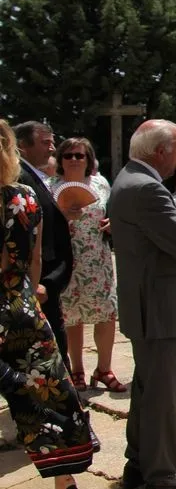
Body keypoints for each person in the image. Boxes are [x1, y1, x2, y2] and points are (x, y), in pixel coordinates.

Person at [109, 119, 176, 489]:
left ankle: (138, 465)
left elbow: (166, 238)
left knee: (147, 389)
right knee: (162, 395)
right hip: (160, 309)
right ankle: (163, 475)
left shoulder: (129, 179)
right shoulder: (148, 189)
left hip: (146, 305)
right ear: (161, 151)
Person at [1, 119, 95, 489]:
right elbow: (35, 260)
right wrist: (30, 294)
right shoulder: (25, 196)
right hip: (23, 306)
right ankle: (64, 479)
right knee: (49, 394)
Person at [50, 138, 125, 393]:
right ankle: (77, 369)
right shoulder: (50, 186)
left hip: (97, 259)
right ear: (60, 159)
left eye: (79, 155)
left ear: (88, 159)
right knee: (72, 316)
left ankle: (104, 369)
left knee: (106, 314)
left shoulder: (101, 184)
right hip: (66, 259)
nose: (74, 159)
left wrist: (113, 223)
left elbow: (113, 213)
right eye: (68, 155)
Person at [14, 121, 73, 367]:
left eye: (52, 141)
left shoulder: (34, 175)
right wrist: (36, 283)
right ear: (23, 146)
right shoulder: (20, 178)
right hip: (37, 284)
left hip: (47, 282)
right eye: (45, 142)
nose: (52, 148)